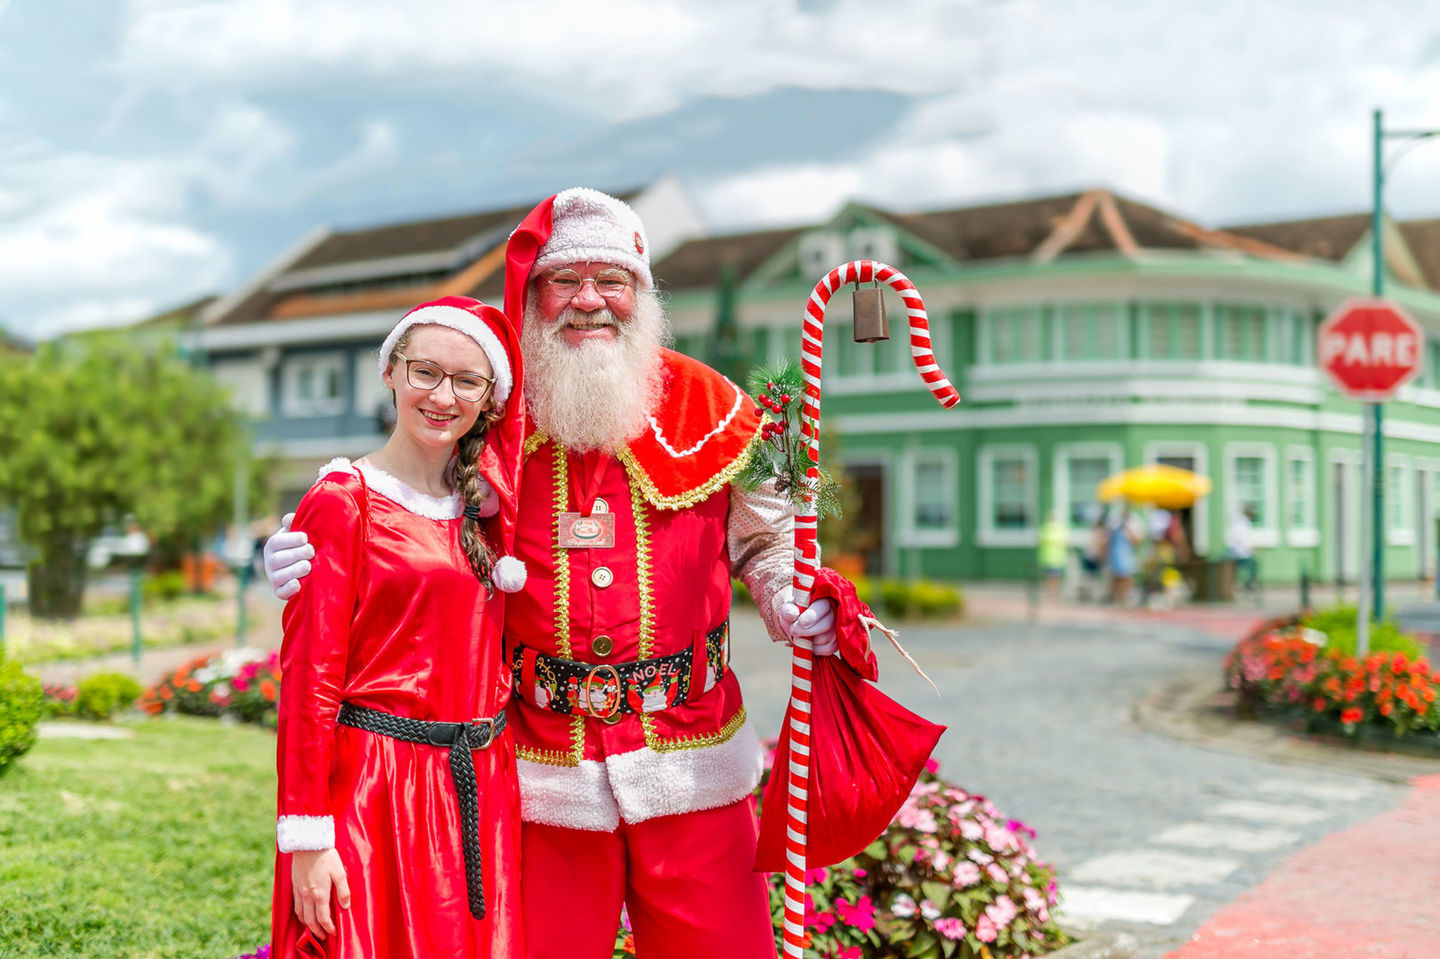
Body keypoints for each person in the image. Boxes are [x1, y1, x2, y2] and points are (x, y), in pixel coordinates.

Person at [265, 188, 848, 959]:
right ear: (533, 293)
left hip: (690, 748)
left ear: (642, 293)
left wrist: (789, 598)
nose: (588, 300)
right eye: (564, 280)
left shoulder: (715, 404)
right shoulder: (491, 409)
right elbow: (407, 506)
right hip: (541, 771)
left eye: (611, 280)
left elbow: (767, 545)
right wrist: (297, 545)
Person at [271, 296, 528, 958]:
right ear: (391, 373)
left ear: (489, 398)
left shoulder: (489, 509)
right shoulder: (343, 501)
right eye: (426, 372)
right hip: (376, 793)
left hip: (478, 790)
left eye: (467, 380)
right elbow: (309, 679)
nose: (443, 396)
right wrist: (309, 839)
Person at [1037, 509, 1068, 600]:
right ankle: (1053, 594)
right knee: (1054, 577)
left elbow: (1040, 542)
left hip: (1051, 557)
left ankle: (1051, 594)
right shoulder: (1059, 529)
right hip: (1055, 557)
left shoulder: (1045, 528)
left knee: (1050, 577)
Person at [1227, 505, 1258, 594]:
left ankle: (1244, 586)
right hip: (1240, 552)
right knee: (1253, 566)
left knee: (1237, 570)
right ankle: (1246, 586)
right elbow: (1242, 539)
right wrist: (1251, 551)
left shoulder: (1242, 522)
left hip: (1237, 551)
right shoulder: (1241, 523)